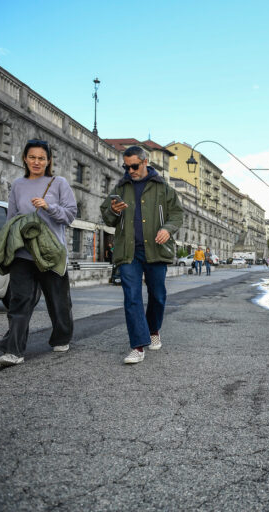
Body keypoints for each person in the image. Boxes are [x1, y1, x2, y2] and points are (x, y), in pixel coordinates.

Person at [0, 139, 78, 368]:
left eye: (42, 158)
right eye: (32, 157)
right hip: (23, 253)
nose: (36, 162)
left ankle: (61, 337)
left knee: (59, 301)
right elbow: (11, 218)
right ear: (24, 158)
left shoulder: (58, 183)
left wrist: (48, 206)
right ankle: (14, 351)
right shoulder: (18, 185)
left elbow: (70, 215)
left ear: (49, 160)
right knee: (19, 300)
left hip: (52, 253)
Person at [100, 146, 182, 364]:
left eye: (134, 166)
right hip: (129, 252)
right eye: (126, 167)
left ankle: (153, 329)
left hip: (156, 249)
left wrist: (167, 229)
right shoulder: (121, 186)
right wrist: (115, 211)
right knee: (131, 297)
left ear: (145, 162)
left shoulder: (163, 188)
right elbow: (107, 218)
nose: (130, 171)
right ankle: (137, 345)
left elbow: (177, 214)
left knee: (158, 295)